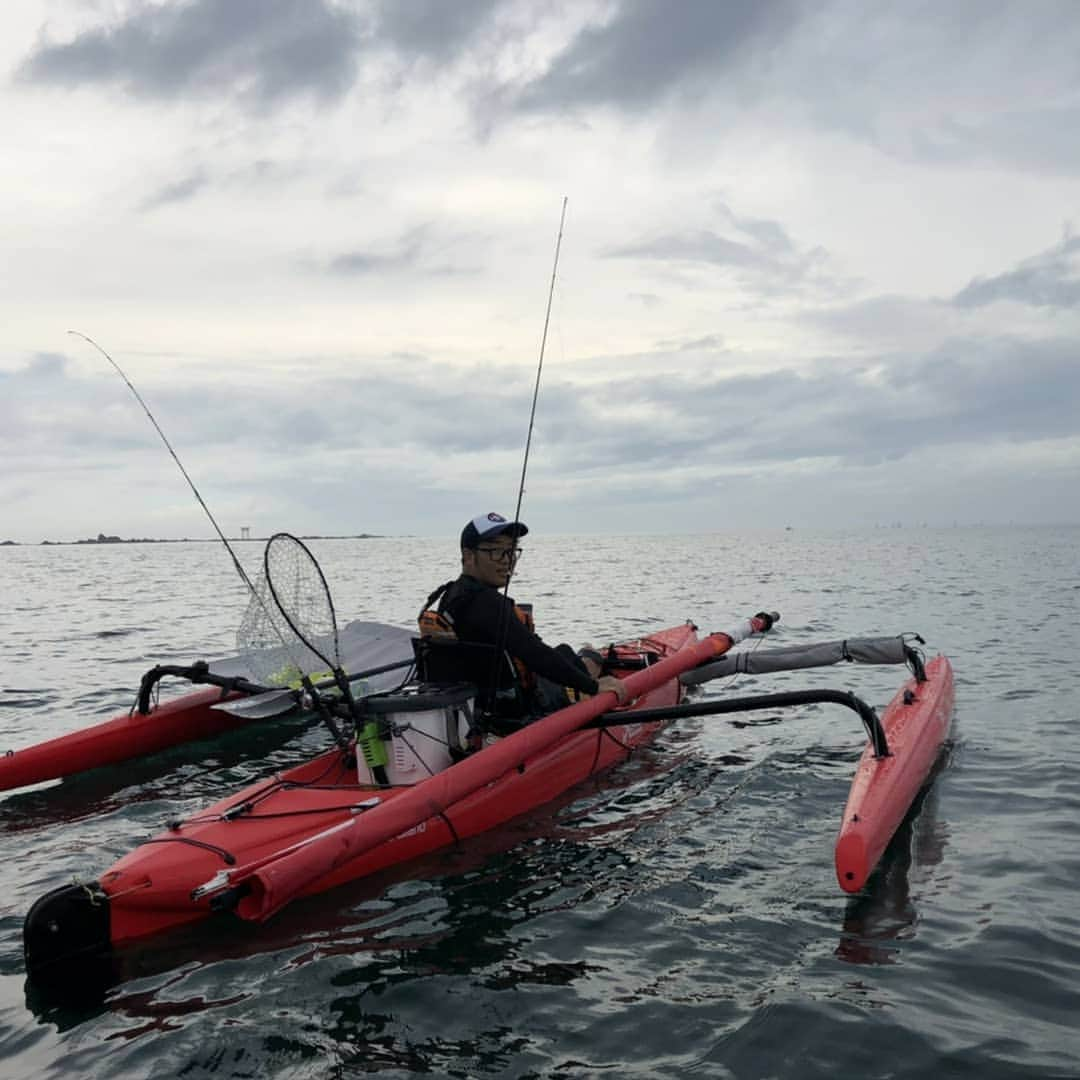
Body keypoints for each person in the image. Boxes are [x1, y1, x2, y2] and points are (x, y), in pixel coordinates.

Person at [419, 512, 630, 725]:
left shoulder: (450, 595)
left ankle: (589, 658)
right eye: (495, 551)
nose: (507, 561)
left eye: (511, 551)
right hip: (518, 709)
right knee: (571, 653)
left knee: (565, 653)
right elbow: (534, 653)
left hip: (478, 705)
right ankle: (594, 665)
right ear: (468, 556)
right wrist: (593, 687)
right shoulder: (489, 603)